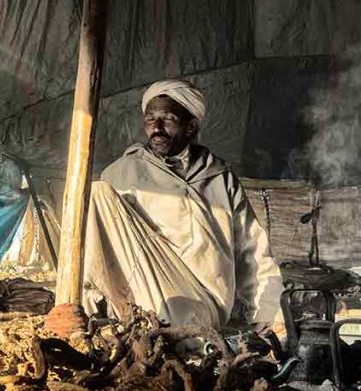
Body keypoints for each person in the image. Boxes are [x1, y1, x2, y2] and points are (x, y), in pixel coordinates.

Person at [80, 79, 282, 330]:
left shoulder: (219, 177)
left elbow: (252, 249)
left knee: (185, 319)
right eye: (150, 119)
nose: (157, 128)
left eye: (168, 119)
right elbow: (99, 251)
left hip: (208, 301)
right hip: (150, 296)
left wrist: (267, 313)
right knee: (98, 193)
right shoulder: (122, 174)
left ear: (191, 126)